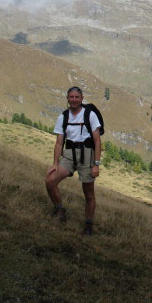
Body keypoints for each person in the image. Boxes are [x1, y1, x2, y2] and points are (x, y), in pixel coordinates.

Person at [46, 86, 101, 235]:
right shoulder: (63, 117)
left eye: (77, 97)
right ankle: (59, 210)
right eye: (71, 97)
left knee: (88, 193)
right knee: (50, 180)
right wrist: (55, 163)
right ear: (67, 98)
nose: (74, 100)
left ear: (82, 98)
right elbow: (59, 142)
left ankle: (88, 225)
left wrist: (96, 164)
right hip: (69, 154)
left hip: (87, 154)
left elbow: (97, 141)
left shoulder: (90, 115)